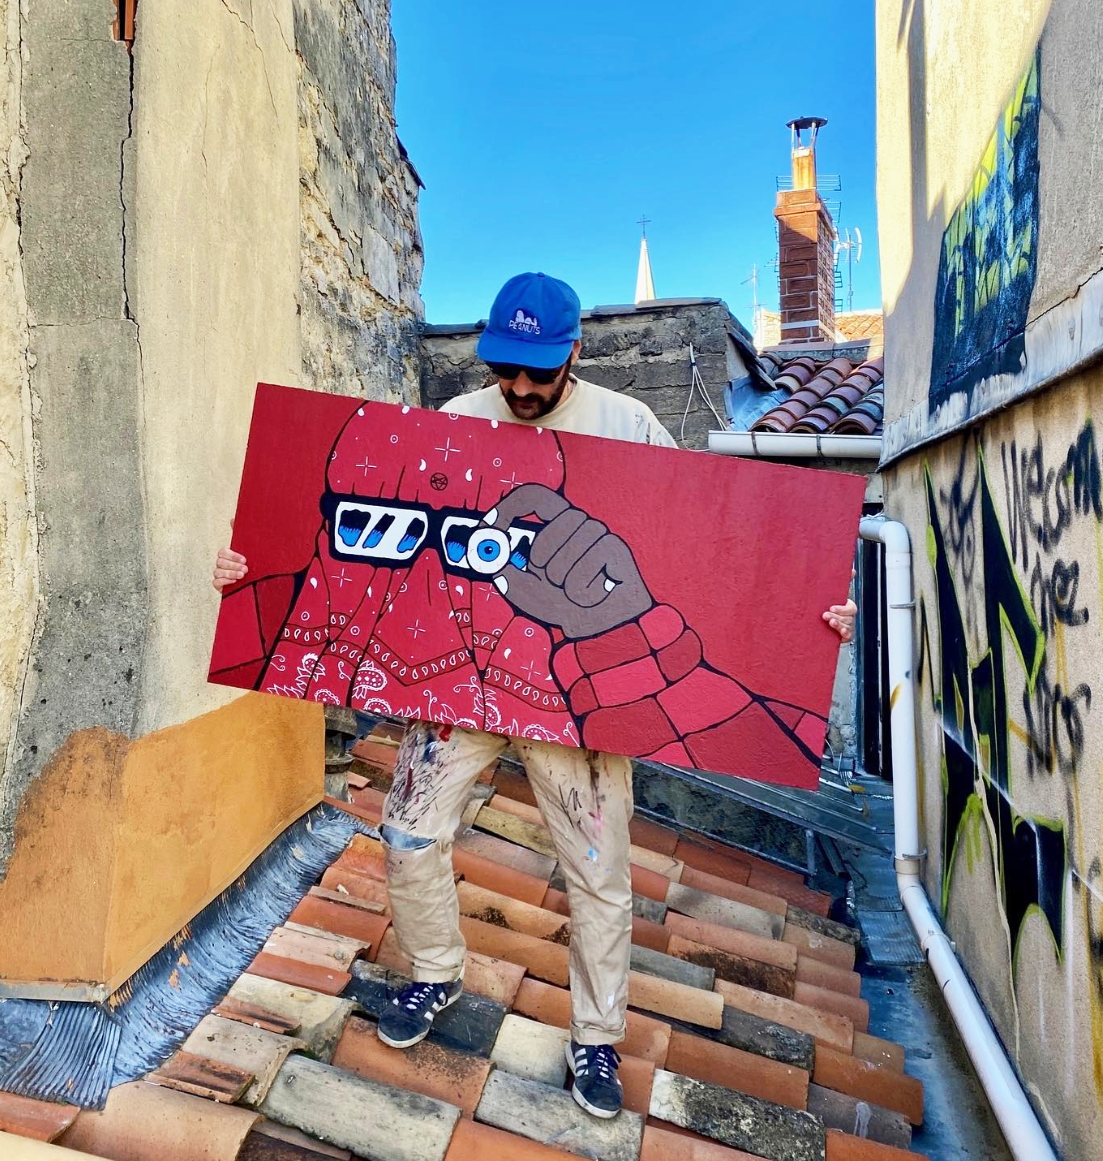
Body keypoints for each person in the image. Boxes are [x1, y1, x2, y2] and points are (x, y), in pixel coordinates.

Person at [214, 272, 856, 1119]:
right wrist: (249, 574)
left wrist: (807, 622)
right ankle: (434, 973)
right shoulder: (450, 427)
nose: (520, 388)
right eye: (505, 368)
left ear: (573, 355)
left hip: (577, 701)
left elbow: (712, 550)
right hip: (454, 688)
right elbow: (353, 544)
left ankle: (596, 1036)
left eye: (538, 372)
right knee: (408, 832)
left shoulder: (629, 428)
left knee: (597, 873)